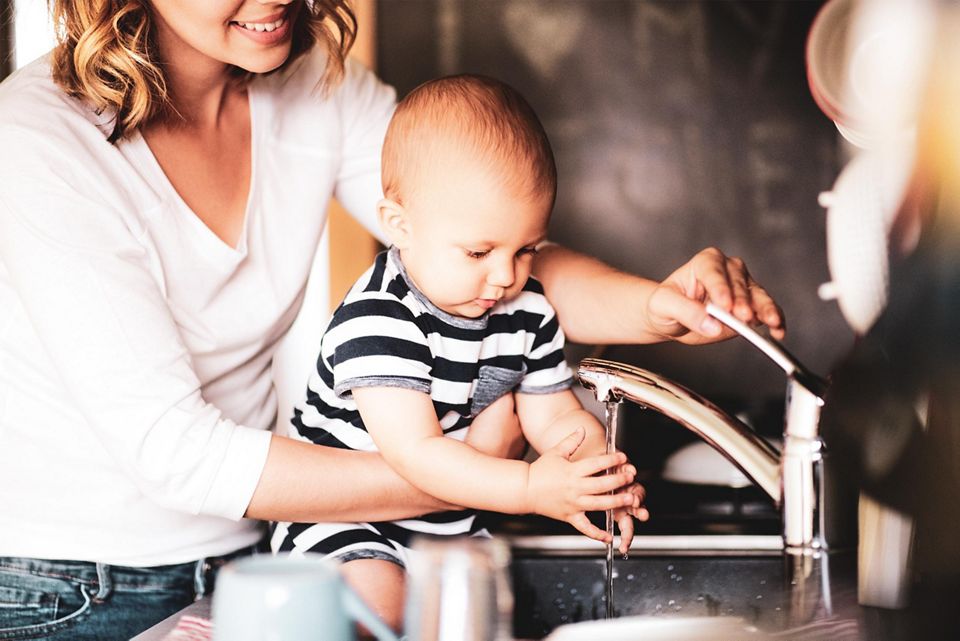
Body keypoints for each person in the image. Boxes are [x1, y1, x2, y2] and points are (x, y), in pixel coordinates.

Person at [0, 1, 783, 639]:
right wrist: (489, 474)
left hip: (253, 560)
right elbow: (179, 454)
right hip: (76, 588)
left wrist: (657, 306)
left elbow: (485, 248)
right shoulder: (39, 140)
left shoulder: (310, 81)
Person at [271, 74, 647, 629]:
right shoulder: (379, 318)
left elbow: (553, 414)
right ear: (399, 226)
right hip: (346, 523)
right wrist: (529, 487)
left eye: (526, 249)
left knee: (475, 614)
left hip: (453, 527)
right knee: (381, 606)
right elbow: (418, 453)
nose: (505, 276)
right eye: (478, 252)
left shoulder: (525, 306)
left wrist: (593, 474)